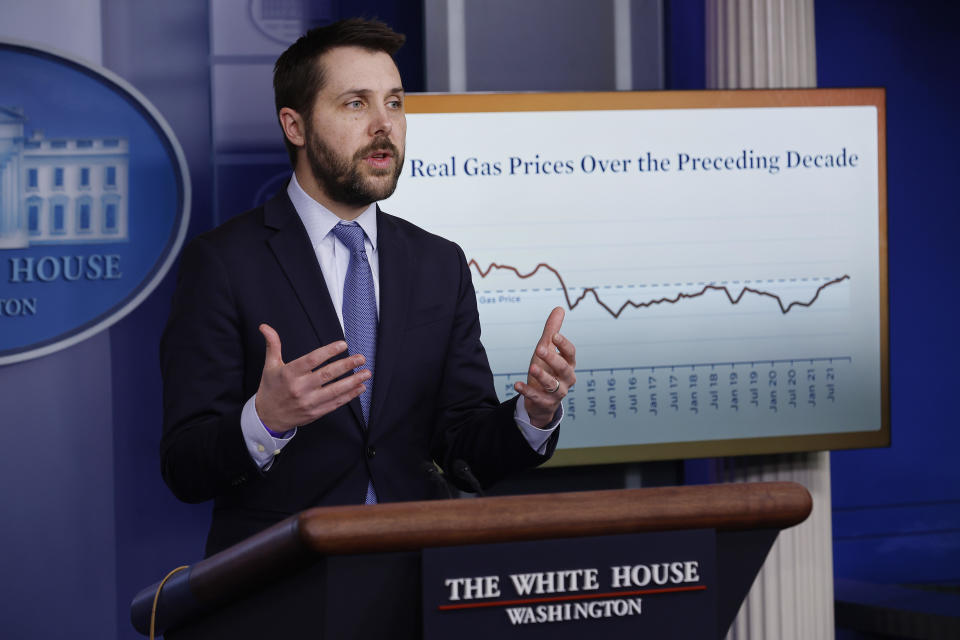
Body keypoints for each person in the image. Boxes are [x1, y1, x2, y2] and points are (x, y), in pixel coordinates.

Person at [159, 18, 577, 557]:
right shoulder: (221, 263)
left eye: (395, 103)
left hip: (416, 583)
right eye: (356, 104)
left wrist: (534, 415)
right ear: (296, 126)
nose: (385, 125)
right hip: (285, 589)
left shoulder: (438, 263)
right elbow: (185, 467)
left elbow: (463, 451)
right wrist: (265, 420)